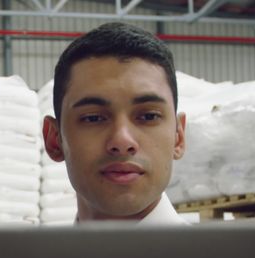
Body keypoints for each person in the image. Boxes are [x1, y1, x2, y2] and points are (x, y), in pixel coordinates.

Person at [42, 22, 188, 225]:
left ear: (178, 137)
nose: (122, 140)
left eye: (148, 117)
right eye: (93, 118)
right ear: (54, 141)